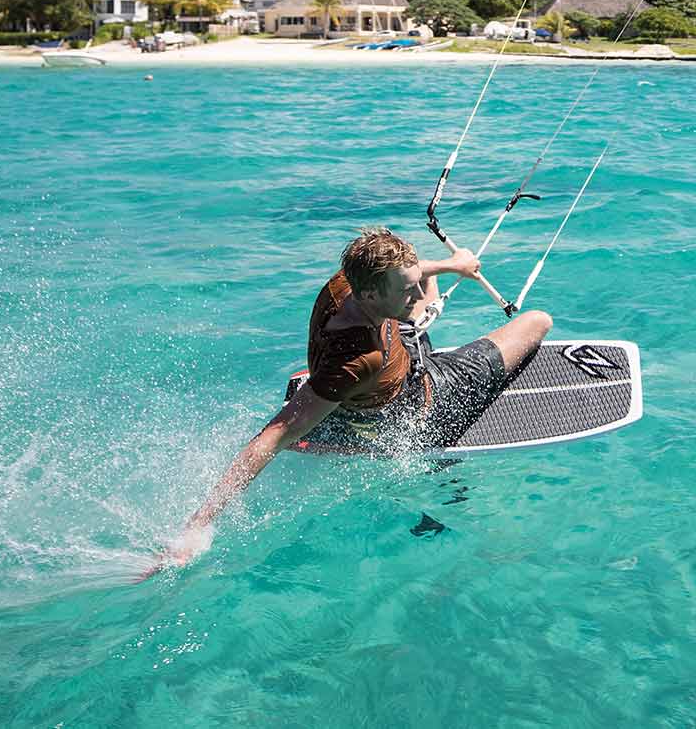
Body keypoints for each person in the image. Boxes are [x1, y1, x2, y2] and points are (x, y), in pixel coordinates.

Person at [141, 228, 551, 574]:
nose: (416, 293)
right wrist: (199, 524)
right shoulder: (358, 360)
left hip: (383, 364)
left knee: (427, 290)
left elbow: (407, 276)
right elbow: (273, 436)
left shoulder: (345, 283)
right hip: (413, 407)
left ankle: (418, 322)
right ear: (371, 294)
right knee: (537, 321)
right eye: (405, 291)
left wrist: (451, 266)